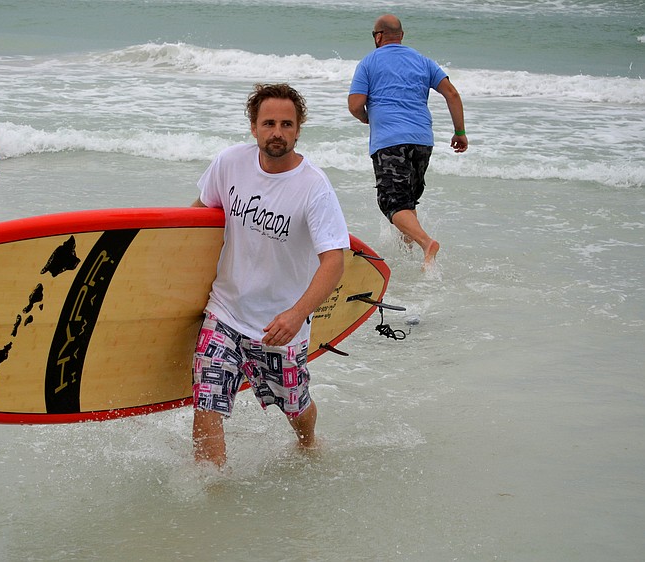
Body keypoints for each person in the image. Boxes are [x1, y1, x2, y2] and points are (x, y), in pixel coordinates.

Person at [191, 83, 349, 467]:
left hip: (279, 324)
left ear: (298, 130)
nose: (277, 132)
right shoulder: (229, 163)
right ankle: (211, 485)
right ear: (254, 127)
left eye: (286, 124)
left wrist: (296, 315)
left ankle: (309, 442)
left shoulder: (313, 187)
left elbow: (334, 261)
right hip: (225, 310)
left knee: (295, 406)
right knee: (207, 401)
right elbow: (197, 218)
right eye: (268, 123)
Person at [348, 13, 468, 270]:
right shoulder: (423, 62)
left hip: (389, 142)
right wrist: (459, 132)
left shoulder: (368, 63)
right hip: (422, 141)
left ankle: (427, 244)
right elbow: (452, 94)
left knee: (392, 202)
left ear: (378, 37)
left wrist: (366, 118)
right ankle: (409, 258)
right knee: (407, 201)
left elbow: (355, 104)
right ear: (401, 36)